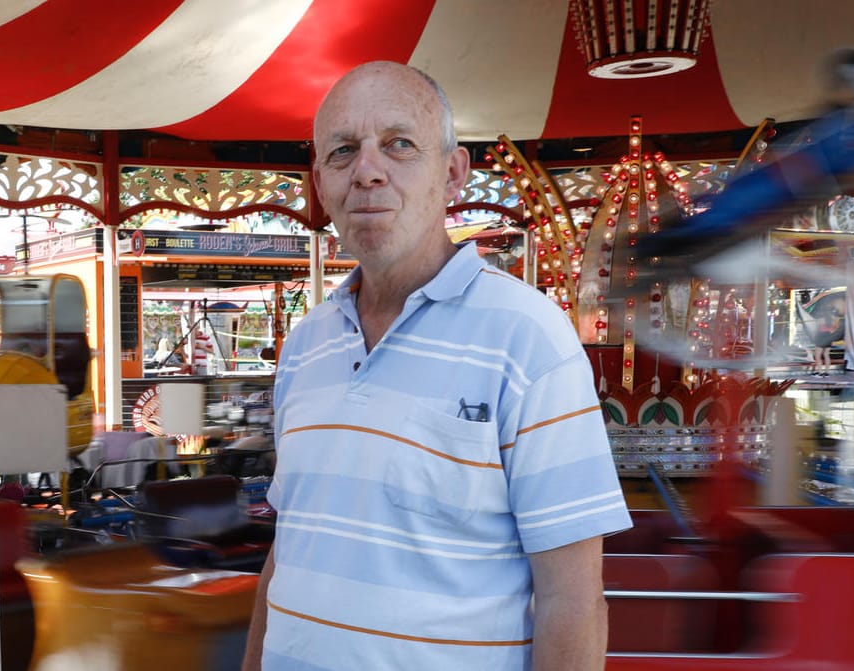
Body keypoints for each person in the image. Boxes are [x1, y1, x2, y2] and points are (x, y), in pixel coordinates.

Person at [242, 62, 631, 671]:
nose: (368, 171)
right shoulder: (307, 345)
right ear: (320, 183)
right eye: (342, 152)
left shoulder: (527, 338)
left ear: (452, 173)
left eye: (399, 145)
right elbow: (288, 551)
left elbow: (572, 596)